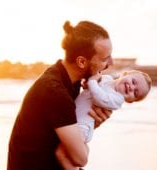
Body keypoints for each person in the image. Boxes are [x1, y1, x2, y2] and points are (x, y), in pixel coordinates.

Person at [7, 20, 114, 170]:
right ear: (82, 62)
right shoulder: (55, 91)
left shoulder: (69, 81)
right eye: (104, 59)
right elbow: (80, 159)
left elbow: (66, 136)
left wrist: (91, 123)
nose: (111, 62)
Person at [55, 70, 152, 169]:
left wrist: (91, 82)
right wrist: (86, 83)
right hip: (74, 119)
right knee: (73, 153)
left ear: (130, 101)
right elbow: (92, 86)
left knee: (61, 153)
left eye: (135, 93)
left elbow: (99, 97)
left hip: (82, 126)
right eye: (133, 81)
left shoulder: (117, 100)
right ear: (125, 74)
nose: (131, 87)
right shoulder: (106, 79)